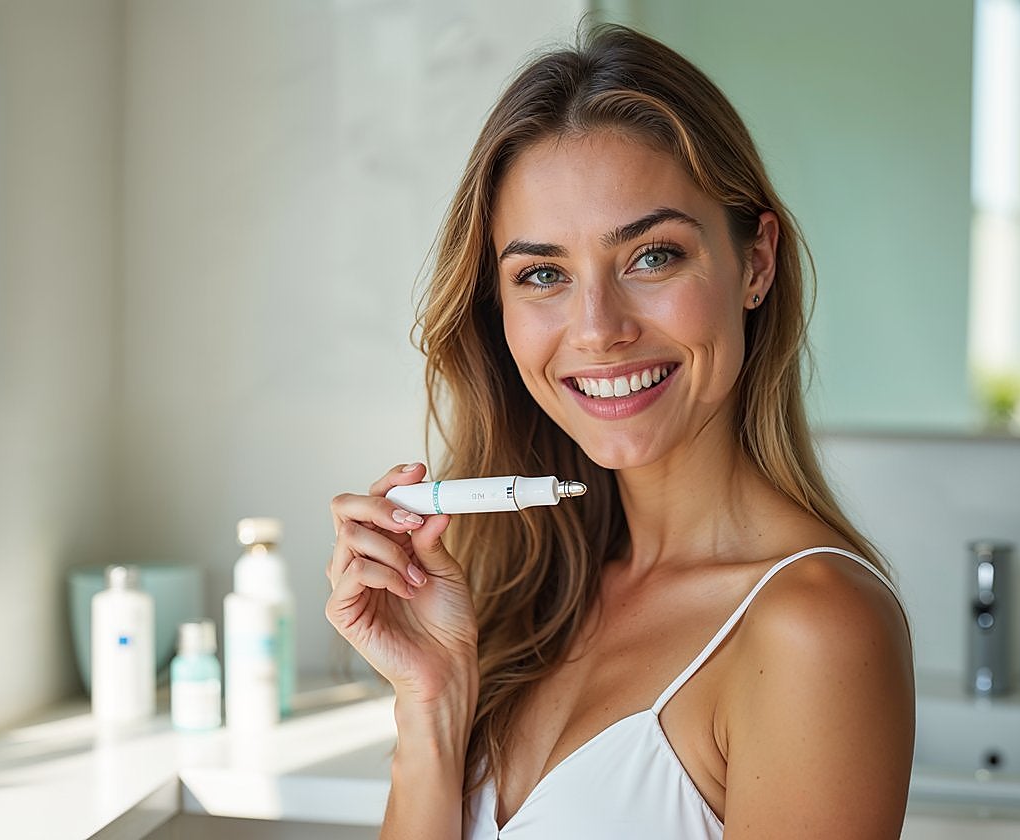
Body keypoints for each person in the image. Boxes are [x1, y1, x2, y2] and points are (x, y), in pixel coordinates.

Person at [326, 23, 914, 839]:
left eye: (652, 256)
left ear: (755, 262)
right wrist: (431, 707)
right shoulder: (525, 600)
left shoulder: (815, 629)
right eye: (543, 274)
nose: (599, 330)